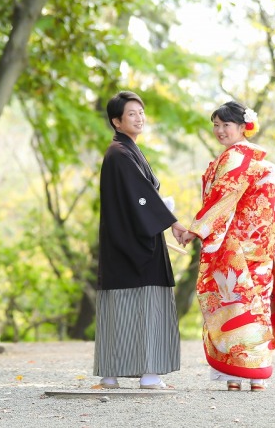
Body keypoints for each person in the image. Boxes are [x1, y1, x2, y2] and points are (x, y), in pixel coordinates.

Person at [179, 101, 275, 391]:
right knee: (255, 306)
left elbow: (223, 197)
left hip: (236, 246)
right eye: (216, 125)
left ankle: (235, 375)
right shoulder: (262, 163)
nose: (219, 131)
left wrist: (196, 230)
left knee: (234, 303)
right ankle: (256, 376)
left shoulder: (235, 158)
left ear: (243, 127)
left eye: (225, 125)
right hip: (261, 247)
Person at [94, 91, 187, 390]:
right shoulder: (120, 153)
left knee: (120, 305)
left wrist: (163, 212)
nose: (139, 117)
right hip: (135, 242)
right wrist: (172, 222)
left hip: (124, 239)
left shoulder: (124, 151)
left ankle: (112, 373)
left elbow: (143, 197)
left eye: (141, 112)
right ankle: (149, 373)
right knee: (145, 304)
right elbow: (142, 197)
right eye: (131, 114)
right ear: (117, 122)